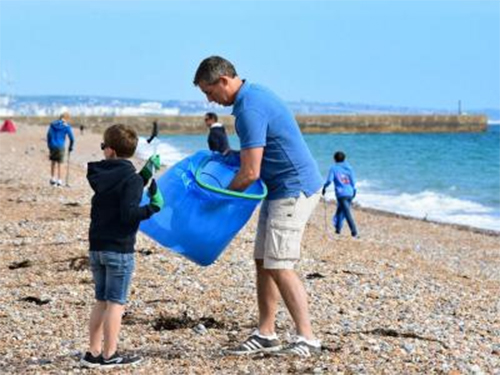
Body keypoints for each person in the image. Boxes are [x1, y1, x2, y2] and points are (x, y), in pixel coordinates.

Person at [194, 56, 323, 357]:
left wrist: (218, 198)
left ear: (223, 80)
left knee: (279, 263)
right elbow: (255, 155)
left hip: (293, 189)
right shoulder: (250, 98)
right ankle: (266, 333)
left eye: (209, 92)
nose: (209, 99)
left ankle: (308, 338)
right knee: (264, 261)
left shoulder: (249, 108)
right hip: (277, 189)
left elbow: (250, 172)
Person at [80, 124, 164, 369]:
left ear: (110, 151)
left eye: (103, 146)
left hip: (97, 247)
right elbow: (129, 214)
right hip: (119, 250)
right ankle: (109, 355)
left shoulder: (101, 176)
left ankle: (93, 352)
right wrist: (153, 208)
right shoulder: (130, 179)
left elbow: (121, 188)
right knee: (116, 302)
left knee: (101, 300)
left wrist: (144, 176)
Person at [322, 151, 358, 237]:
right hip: (350, 193)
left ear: (334, 159)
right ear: (344, 159)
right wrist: (354, 191)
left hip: (342, 194)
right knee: (340, 211)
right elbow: (353, 182)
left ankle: (354, 232)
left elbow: (329, 180)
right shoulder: (349, 168)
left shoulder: (333, 168)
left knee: (346, 212)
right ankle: (337, 230)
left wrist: (324, 187)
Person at [46, 112, 75, 186]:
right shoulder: (66, 126)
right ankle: (59, 180)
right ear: (67, 118)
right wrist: (70, 147)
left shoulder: (53, 125)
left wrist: (49, 145)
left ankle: (52, 178)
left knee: (53, 162)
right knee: (60, 163)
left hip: (52, 145)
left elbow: (48, 135)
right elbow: (72, 138)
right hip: (60, 146)